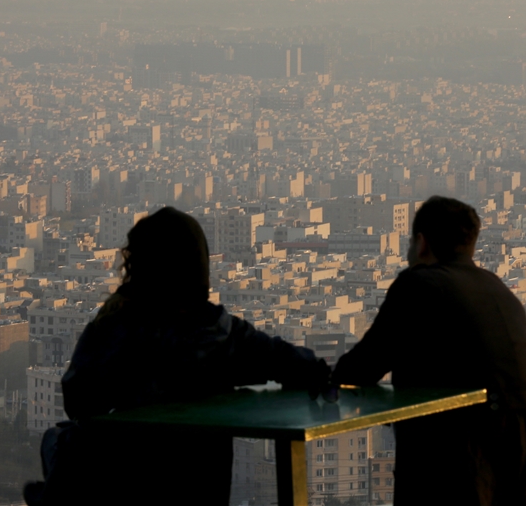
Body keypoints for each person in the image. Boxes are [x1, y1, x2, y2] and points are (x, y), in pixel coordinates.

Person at [24, 207, 330, 506]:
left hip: (124, 484)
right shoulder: (220, 333)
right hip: (201, 486)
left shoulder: (117, 328)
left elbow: (77, 397)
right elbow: (284, 360)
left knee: (59, 441)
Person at [333, 196, 526, 506]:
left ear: (421, 243)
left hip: (467, 461)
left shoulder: (421, 286)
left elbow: (360, 369)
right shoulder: (498, 289)